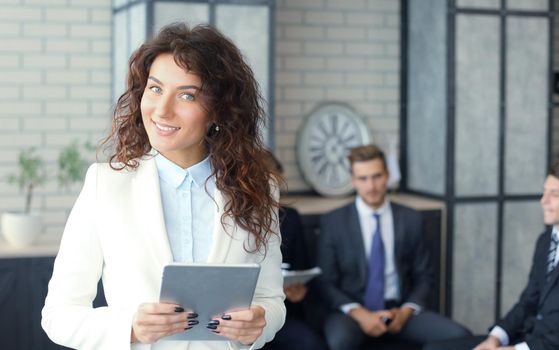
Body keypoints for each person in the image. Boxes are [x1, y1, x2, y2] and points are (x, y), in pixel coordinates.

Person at [41, 23, 285, 350]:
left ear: (219, 110)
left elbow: (271, 299)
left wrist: (260, 322)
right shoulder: (105, 184)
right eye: (155, 89)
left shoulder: (258, 189)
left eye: (187, 95)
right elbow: (59, 315)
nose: (162, 110)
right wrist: (130, 327)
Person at [317, 144, 470, 350]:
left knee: (460, 336)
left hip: (399, 311)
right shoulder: (333, 222)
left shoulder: (411, 219)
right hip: (352, 312)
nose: (371, 186)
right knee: (340, 341)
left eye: (377, 176)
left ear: (387, 175)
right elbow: (326, 282)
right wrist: (360, 314)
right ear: (353, 180)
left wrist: (405, 312)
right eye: (363, 179)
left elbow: (424, 276)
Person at [425, 159, 559, 350]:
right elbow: (528, 301)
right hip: (526, 338)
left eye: (555, 194)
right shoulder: (545, 241)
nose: (543, 201)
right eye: (544, 191)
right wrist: (495, 337)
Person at [263, 154, 327, 350]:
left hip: (283, 314)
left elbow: (301, 267)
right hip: (243, 315)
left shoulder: (289, 218)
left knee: (312, 345)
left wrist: (299, 292)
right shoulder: (231, 220)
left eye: (277, 186)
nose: (274, 193)